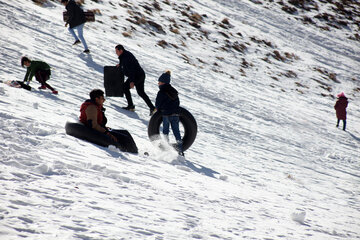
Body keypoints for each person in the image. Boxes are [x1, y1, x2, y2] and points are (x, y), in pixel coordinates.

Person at [115, 44, 155, 115]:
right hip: (140, 74)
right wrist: (120, 65)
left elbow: (132, 69)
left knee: (125, 87)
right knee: (141, 92)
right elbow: (126, 64)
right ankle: (152, 108)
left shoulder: (126, 57)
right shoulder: (124, 55)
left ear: (121, 50)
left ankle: (131, 106)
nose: (116, 53)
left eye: (116, 51)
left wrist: (132, 81)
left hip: (136, 75)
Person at [155, 71, 184, 156]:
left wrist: (158, 109)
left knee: (165, 132)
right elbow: (177, 102)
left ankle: (166, 150)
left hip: (166, 115)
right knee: (177, 132)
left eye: (159, 82)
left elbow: (158, 104)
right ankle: (180, 151)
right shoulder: (174, 91)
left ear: (163, 82)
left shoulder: (161, 92)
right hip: (175, 115)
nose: (158, 83)